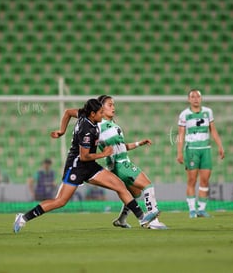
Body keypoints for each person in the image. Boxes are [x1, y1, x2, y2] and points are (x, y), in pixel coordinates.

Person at [13, 99, 159, 233]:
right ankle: (23, 218)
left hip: (90, 166)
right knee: (60, 201)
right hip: (77, 166)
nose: (103, 115)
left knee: (119, 185)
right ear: (93, 113)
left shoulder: (84, 114)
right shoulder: (87, 130)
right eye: (101, 112)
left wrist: (62, 130)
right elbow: (84, 156)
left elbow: (68, 112)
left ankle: (142, 218)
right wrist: (104, 154)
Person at [51, 95, 167, 230]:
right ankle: (153, 221)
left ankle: (122, 220)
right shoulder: (100, 126)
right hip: (121, 164)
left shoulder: (110, 125)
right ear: (101, 108)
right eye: (109, 105)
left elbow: (120, 146)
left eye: (114, 104)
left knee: (134, 194)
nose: (113, 107)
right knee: (147, 185)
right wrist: (65, 131)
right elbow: (93, 138)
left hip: (117, 163)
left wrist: (138, 143)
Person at [177, 89, 225, 218]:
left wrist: (220, 146)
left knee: (205, 180)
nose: (195, 99)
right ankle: (192, 210)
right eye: (192, 96)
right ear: (189, 99)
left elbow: (213, 131)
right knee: (192, 180)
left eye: (198, 96)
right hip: (191, 150)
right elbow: (180, 135)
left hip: (206, 149)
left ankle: (202, 209)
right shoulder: (184, 114)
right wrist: (179, 152)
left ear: (201, 98)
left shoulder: (208, 112)